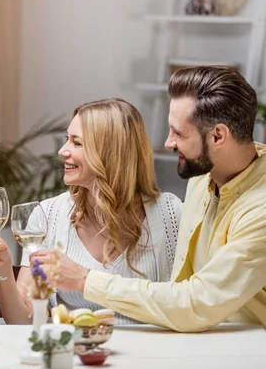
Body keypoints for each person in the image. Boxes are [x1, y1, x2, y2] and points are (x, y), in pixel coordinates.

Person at [42, 66, 266, 332]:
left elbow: (195, 304)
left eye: (179, 133)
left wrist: (85, 280)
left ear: (218, 136)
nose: (168, 142)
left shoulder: (259, 210)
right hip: (193, 343)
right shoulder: (202, 175)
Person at [0, 98, 182, 324]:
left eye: (77, 143)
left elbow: (186, 304)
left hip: (152, 356)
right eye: (67, 140)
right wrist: (4, 268)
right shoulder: (48, 215)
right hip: (76, 355)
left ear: (110, 153)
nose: (62, 151)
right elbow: (25, 321)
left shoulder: (170, 215)